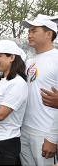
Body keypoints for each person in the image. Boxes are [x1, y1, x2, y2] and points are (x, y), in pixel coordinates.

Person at [20, 14, 58, 165]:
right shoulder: (29, 62)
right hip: (24, 130)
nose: (29, 35)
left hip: (45, 133)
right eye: (29, 31)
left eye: (34, 31)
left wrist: (53, 137)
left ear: (49, 34)